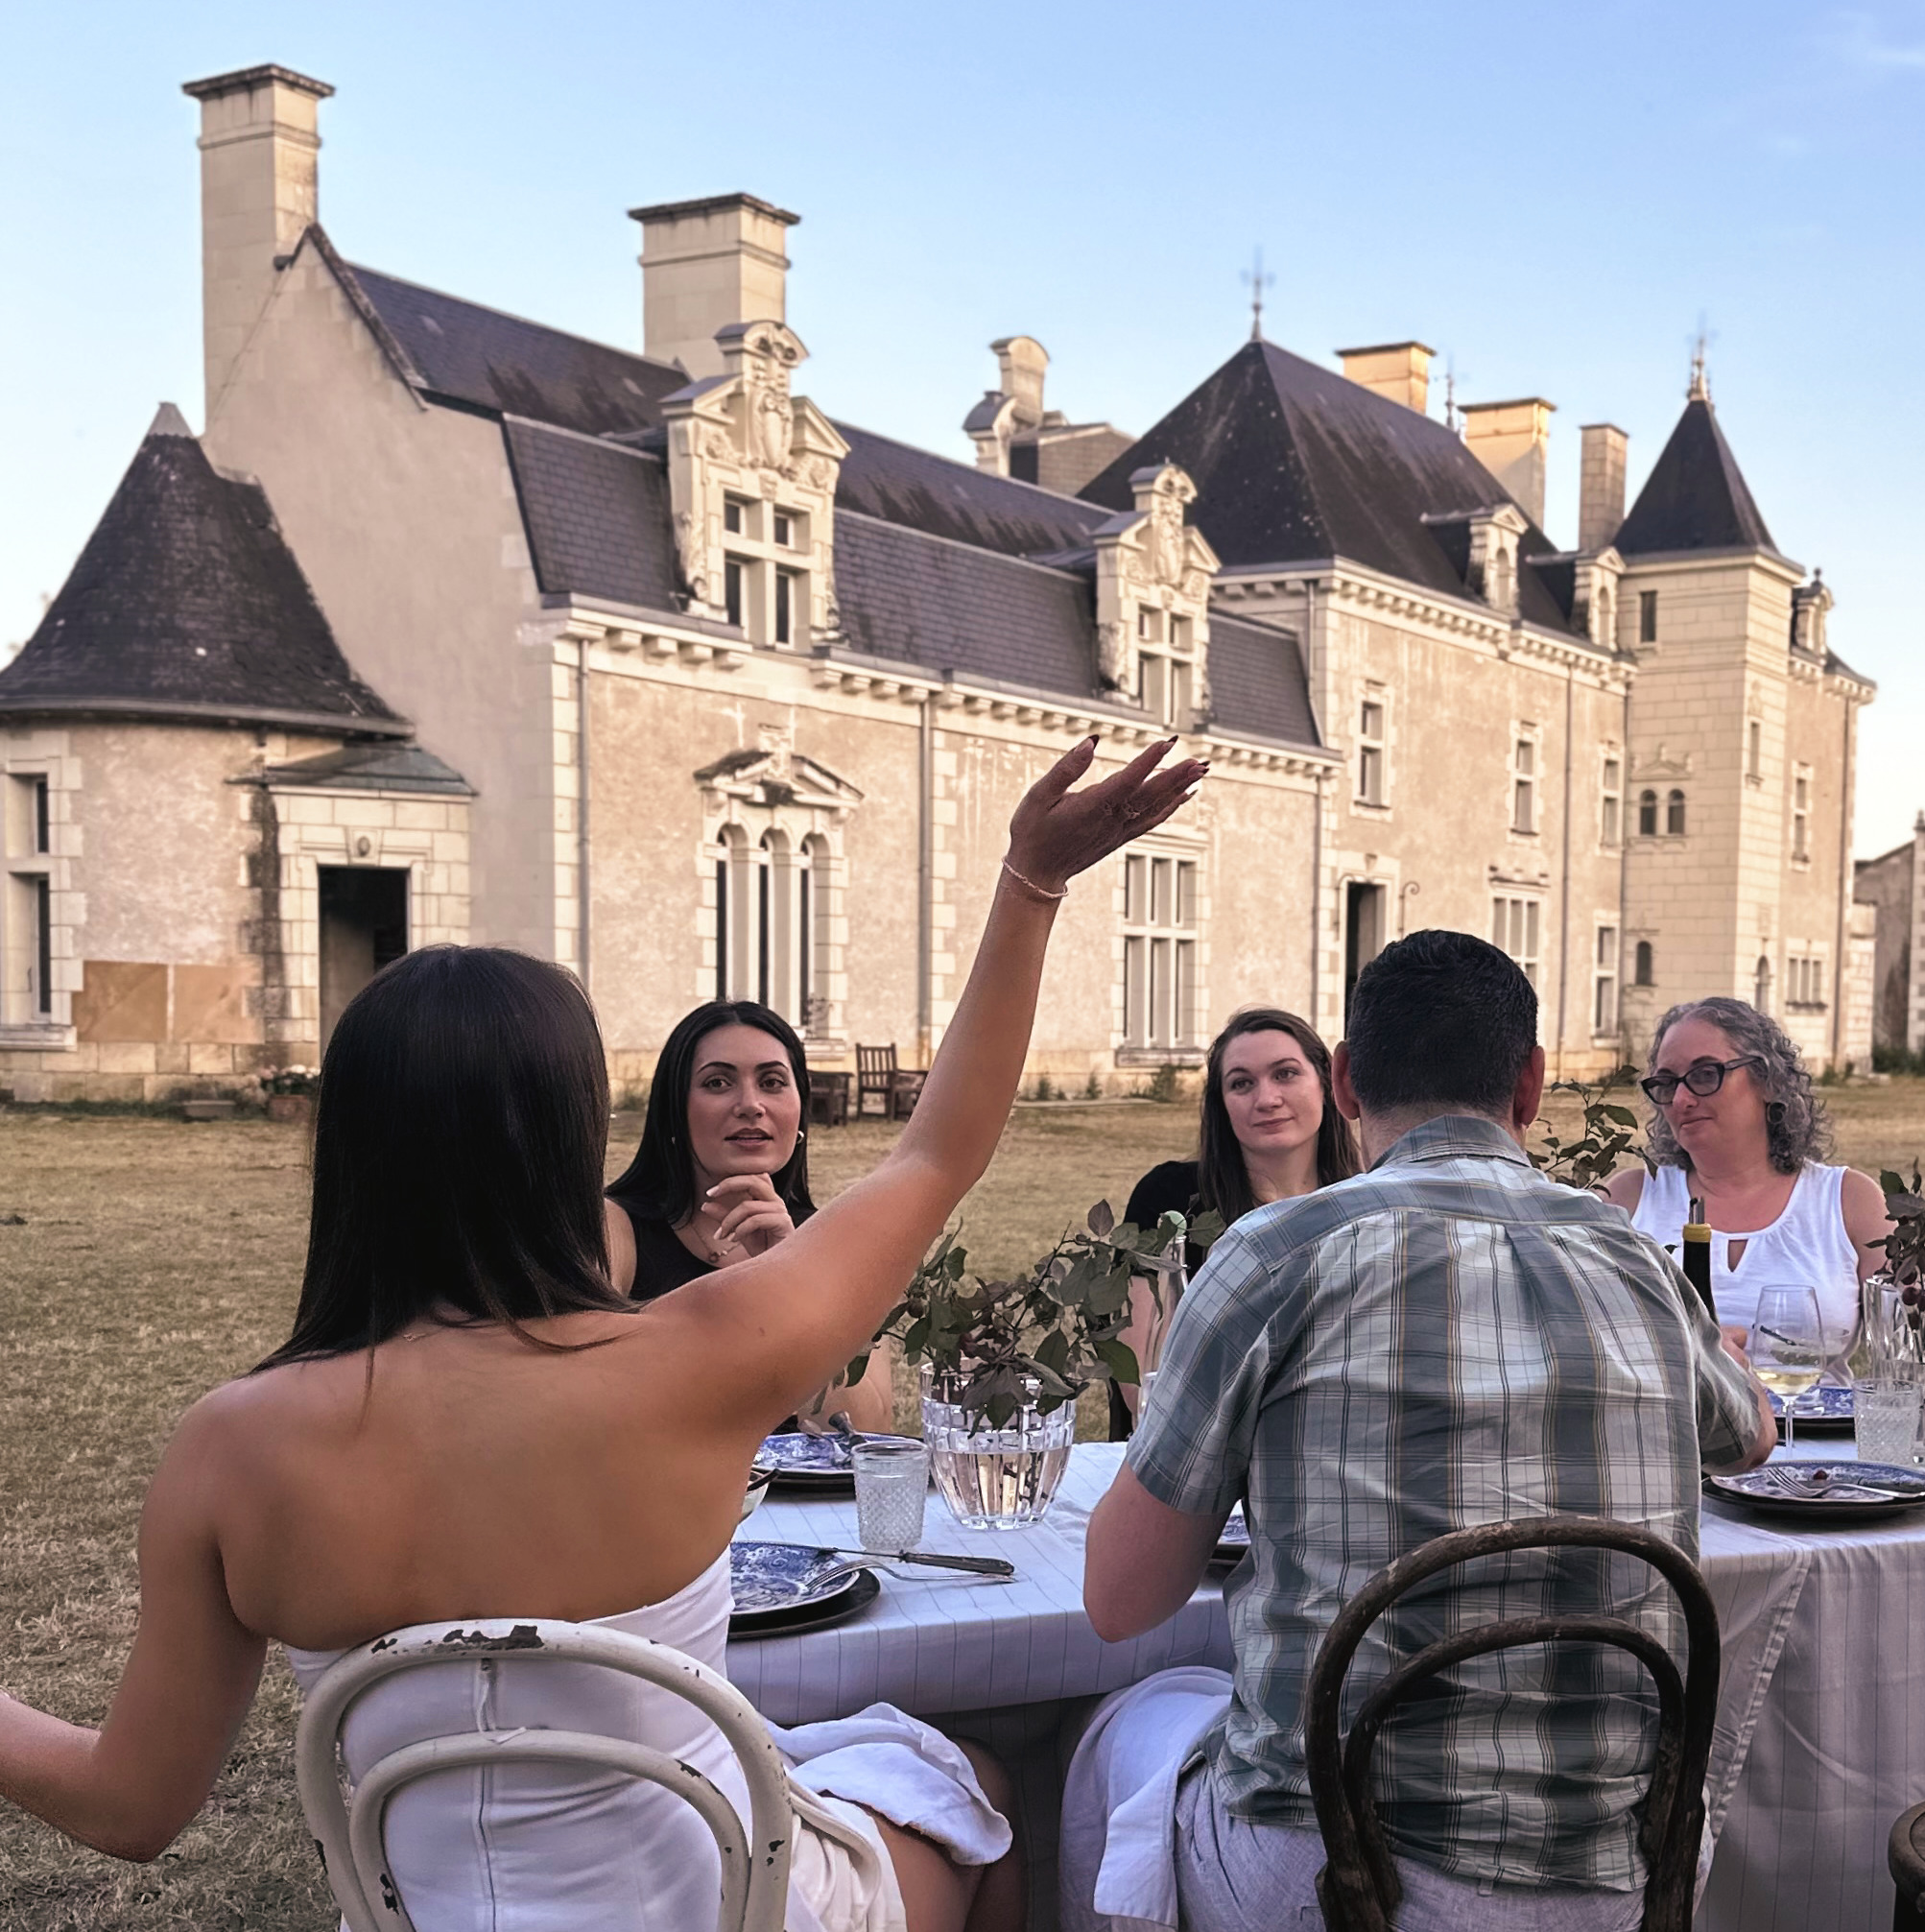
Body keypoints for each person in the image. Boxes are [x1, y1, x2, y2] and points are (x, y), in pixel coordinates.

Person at [0, 734, 1203, 1932]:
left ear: (348, 1148)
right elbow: (936, 1155)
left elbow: (130, 1805)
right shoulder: (696, 1358)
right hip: (727, 1910)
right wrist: (1030, 883)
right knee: (981, 1792)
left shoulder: (228, 1450)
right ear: (568, 1141)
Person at [1066, 930, 1775, 1932]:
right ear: (1529, 1085)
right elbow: (1752, 1438)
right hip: (1622, 1878)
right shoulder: (1636, 1259)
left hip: (1346, 1880)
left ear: (1344, 1083)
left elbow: (1119, 1601)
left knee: (1118, 1732)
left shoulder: (1274, 1255)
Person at [606, 999, 891, 1431]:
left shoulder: (840, 1247)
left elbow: (862, 1434)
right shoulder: (615, 1230)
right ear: (674, 1110)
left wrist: (790, 1276)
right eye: (718, 1082)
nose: (750, 1105)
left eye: (772, 1082)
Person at [1109, 1007, 1360, 1435]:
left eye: (1285, 1074)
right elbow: (1144, 1383)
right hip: (1196, 1452)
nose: (1267, 1099)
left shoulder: (1363, 1203)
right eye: (1241, 1083)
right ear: (1221, 1104)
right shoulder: (1170, 1200)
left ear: (1326, 1082)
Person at [1604, 995, 1893, 1347]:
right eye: (1666, 1083)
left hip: (1803, 1386)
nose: (1681, 1100)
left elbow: (1907, 1344)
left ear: (1768, 1082)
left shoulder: (1848, 1201)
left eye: (1705, 1075)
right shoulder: (1629, 1200)